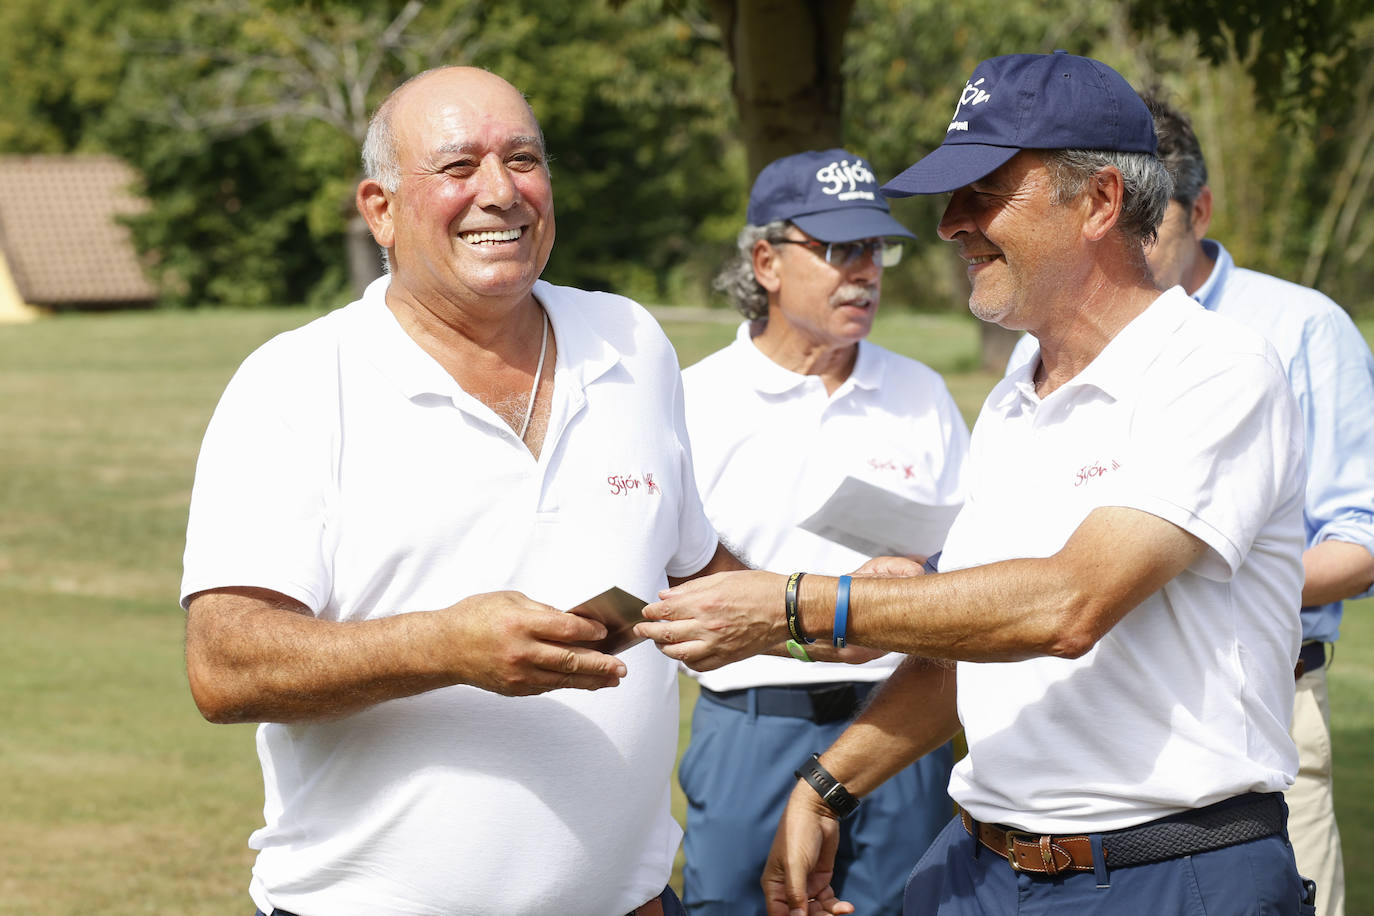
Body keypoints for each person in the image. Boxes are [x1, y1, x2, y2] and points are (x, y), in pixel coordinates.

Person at [636, 51, 1315, 915]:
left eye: (985, 191)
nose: (953, 223)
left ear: (1101, 200)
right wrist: (827, 783)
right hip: (981, 866)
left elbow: (1068, 607)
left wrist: (800, 602)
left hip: (1164, 874)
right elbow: (970, 645)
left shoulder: (1216, 370)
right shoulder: (1015, 395)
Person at [179, 66, 745, 916]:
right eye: (456, 167)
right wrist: (443, 646)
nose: (500, 192)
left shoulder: (631, 341)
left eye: (522, 159)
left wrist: (843, 601)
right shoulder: (296, 382)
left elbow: (701, 576)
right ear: (380, 209)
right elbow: (223, 665)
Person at [678, 148, 969, 915]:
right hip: (753, 723)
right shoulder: (693, 402)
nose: (866, 271)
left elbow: (974, 558)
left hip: (899, 728)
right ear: (766, 261)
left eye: (876, 248)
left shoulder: (922, 392)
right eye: (840, 249)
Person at [1137, 93, 1374, 916]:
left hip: (1264, 701)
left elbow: (1363, 539)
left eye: (1149, 224)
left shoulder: (1305, 328)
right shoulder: (1057, 337)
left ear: (1198, 209)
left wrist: (1171, 579)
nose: (1127, 249)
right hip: (1111, 713)